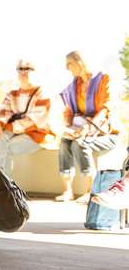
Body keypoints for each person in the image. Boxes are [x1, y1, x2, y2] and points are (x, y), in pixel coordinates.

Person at [56, 51, 118, 202]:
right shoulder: (73, 87)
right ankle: (68, 191)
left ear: (79, 62)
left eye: (69, 63)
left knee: (80, 143)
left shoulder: (103, 79)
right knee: (64, 143)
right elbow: (69, 111)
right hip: (80, 130)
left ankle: (89, 191)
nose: (66, 67)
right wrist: (68, 129)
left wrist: (89, 129)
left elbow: (105, 109)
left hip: (104, 133)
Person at [0, 59, 53, 178]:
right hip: (15, 133)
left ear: (36, 72)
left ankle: (3, 187)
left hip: (37, 136)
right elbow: (4, 112)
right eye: (20, 69)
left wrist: (5, 126)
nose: (23, 72)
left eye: (28, 69)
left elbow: (32, 122)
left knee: (5, 147)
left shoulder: (43, 94)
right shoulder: (12, 94)